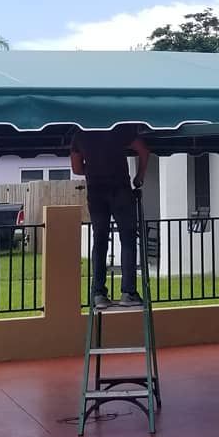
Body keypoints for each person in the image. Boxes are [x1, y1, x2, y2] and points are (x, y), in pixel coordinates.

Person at [70, 123, 150, 310]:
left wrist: (93, 168)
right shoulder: (119, 127)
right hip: (120, 189)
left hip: (96, 192)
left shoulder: (80, 133)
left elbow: (76, 168)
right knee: (128, 240)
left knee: (99, 242)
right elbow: (144, 151)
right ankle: (128, 292)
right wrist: (139, 176)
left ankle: (98, 293)